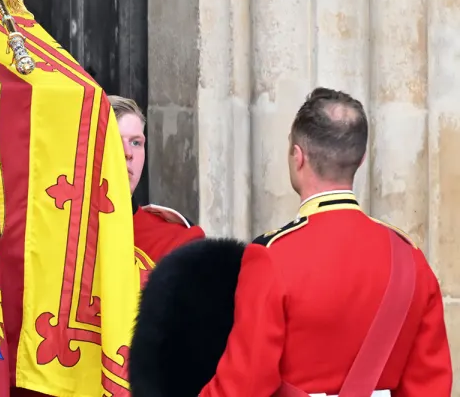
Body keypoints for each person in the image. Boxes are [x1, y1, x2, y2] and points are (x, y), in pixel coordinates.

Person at [161, 88, 451, 396]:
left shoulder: (272, 257)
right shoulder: (410, 260)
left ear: (298, 157)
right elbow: (430, 387)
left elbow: (243, 385)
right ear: (361, 159)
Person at [109, 95, 204, 285]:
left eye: (136, 142)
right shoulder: (59, 234)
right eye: (113, 141)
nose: (128, 153)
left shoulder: (178, 241)